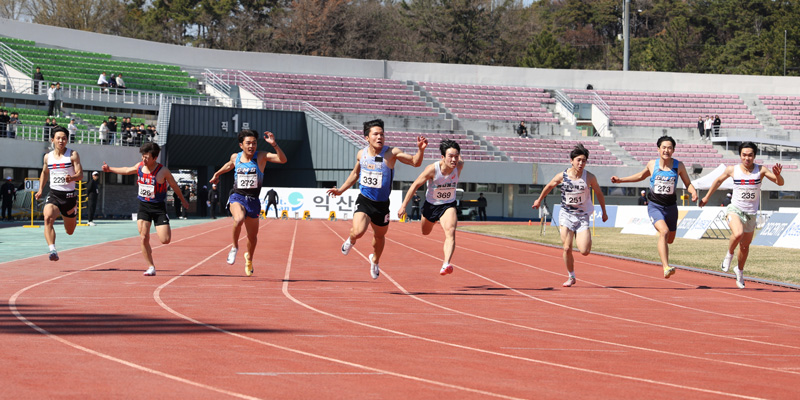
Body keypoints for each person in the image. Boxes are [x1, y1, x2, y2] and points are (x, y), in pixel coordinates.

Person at [327, 119, 427, 279]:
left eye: (382, 134)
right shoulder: (362, 154)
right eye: (376, 134)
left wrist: (420, 151)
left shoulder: (391, 153)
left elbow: (415, 162)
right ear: (367, 137)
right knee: (358, 231)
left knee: (379, 237)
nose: (380, 137)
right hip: (365, 200)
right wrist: (340, 190)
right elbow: (355, 174)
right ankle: (351, 240)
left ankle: (375, 260)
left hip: (382, 205)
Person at [699, 142, 783, 289]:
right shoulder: (732, 170)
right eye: (744, 155)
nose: (747, 158)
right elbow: (718, 181)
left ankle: (739, 271)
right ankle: (728, 255)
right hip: (735, 209)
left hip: (751, 214)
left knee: (744, 247)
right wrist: (706, 197)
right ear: (740, 156)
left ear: (754, 156)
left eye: (750, 155)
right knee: (737, 234)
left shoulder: (761, 170)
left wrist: (778, 175)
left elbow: (780, 183)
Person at [611, 136, 697, 279]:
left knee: (670, 239)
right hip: (655, 206)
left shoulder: (678, 166)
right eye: (664, 147)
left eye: (669, 148)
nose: (666, 150)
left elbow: (688, 183)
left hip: (671, 207)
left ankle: (665, 258)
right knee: (664, 232)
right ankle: (666, 267)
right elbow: (640, 176)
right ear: (658, 149)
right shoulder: (652, 164)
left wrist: (693, 191)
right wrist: (621, 180)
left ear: (673, 150)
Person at [102, 142, 189, 276]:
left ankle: (159, 232)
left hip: (158, 208)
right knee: (143, 237)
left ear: (155, 158)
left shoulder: (163, 171)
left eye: (147, 157)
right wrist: (110, 169)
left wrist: (183, 200)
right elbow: (126, 170)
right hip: (143, 207)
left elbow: (174, 186)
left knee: (165, 240)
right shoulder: (140, 167)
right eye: (143, 156)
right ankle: (151, 266)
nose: (144, 159)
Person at [210, 129, 287, 276]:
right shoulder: (236, 157)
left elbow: (283, 160)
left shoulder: (261, 157)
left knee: (252, 237)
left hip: (253, 200)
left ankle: (249, 259)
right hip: (237, 196)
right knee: (238, 219)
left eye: (254, 143)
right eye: (248, 143)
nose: (251, 146)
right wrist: (217, 174)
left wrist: (274, 144)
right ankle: (234, 247)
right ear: (241, 145)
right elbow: (229, 165)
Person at [533, 144, 608, 287]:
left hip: (582, 216)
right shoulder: (563, 176)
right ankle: (571, 276)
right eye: (578, 160)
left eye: (584, 161)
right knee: (567, 248)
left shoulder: (589, 177)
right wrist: (539, 200)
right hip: (566, 215)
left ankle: (582, 238)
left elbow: (599, 193)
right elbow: (549, 186)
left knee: (584, 251)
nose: (581, 163)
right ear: (571, 161)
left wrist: (604, 212)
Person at [398, 139, 464, 275]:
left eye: (456, 156)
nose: (454, 160)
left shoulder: (459, 166)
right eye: (450, 156)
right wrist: (403, 206)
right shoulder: (432, 170)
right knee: (425, 232)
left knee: (450, 231)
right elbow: (415, 185)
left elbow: (457, 154)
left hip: (448, 205)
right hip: (431, 205)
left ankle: (446, 264)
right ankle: (433, 220)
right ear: (443, 157)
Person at [34, 126, 84, 261]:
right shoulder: (47, 157)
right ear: (53, 140)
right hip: (54, 194)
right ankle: (53, 250)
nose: (61, 141)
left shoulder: (73, 155)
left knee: (70, 231)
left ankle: (72, 212)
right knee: (47, 218)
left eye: (64, 138)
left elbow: (80, 174)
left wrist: (72, 178)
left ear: (67, 140)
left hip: (69, 197)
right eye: (58, 138)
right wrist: (40, 190)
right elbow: (44, 173)